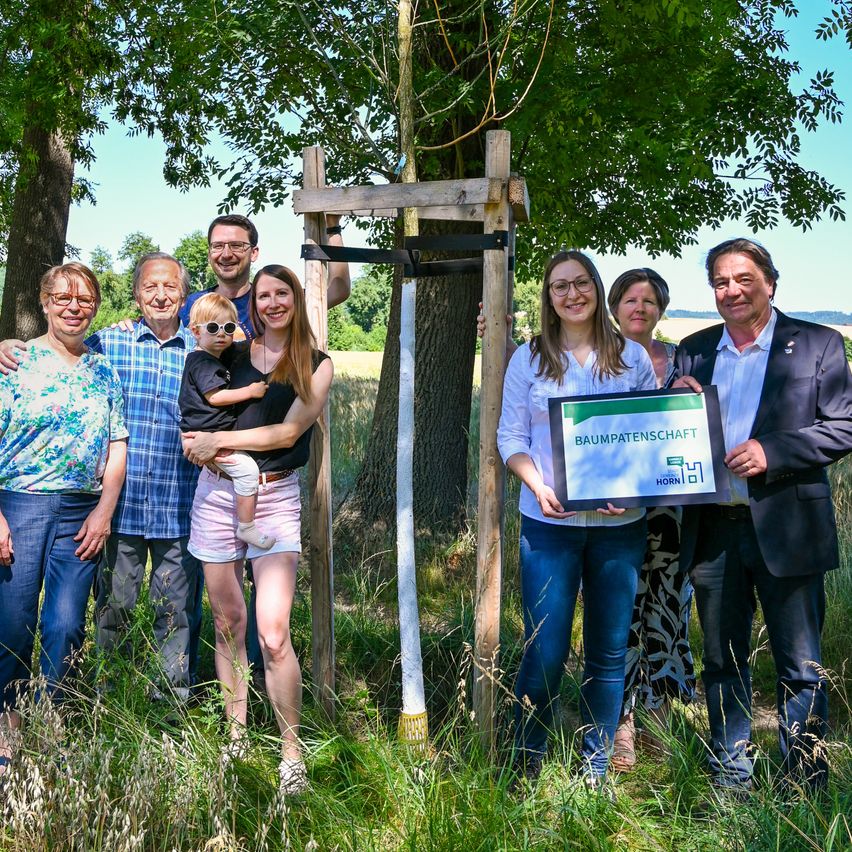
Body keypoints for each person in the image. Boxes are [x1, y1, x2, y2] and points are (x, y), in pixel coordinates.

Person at [674, 238, 852, 792]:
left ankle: (804, 779)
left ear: (770, 283)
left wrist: (772, 451)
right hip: (714, 531)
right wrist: (671, 400)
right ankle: (733, 770)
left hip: (788, 529)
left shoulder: (820, 343)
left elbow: (843, 425)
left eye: (743, 279)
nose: (731, 291)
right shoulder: (694, 349)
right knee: (722, 659)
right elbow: (667, 432)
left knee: (800, 665)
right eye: (721, 282)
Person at [0, 255, 201, 702]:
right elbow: (51, 345)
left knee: (167, 614)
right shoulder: (103, 347)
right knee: (101, 611)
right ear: (135, 295)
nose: (160, 295)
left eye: (170, 287)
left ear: (184, 297)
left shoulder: (196, 352)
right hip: (85, 508)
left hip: (167, 505)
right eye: (150, 287)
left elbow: (120, 440)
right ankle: (97, 704)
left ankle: (157, 710)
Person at [497, 250, 657, 788]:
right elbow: (511, 438)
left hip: (620, 528)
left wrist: (631, 489)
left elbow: (646, 435)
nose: (572, 294)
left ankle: (594, 769)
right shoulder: (529, 359)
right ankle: (525, 762)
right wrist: (537, 484)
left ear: (596, 288)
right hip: (549, 524)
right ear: (547, 297)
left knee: (609, 652)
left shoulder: (632, 357)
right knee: (545, 649)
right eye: (560, 286)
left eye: (581, 283)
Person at [182, 264, 333, 795]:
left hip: (273, 497)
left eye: (281, 293)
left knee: (272, 633)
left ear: (295, 299)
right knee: (227, 621)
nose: (272, 302)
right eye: (263, 295)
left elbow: (291, 429)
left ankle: (291, 750)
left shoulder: (314, 364)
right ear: (253, 304)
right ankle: (237, 734)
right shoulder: (230, 354)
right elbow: (194, 405)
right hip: (216, 495)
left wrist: (218, 445)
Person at [0, 263, 128, 776]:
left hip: (81, 512)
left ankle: (51, 728)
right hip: (18, 505)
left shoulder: (103, 370)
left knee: (66, 624)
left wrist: (104, 511)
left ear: (95, 306)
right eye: (64, 297)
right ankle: (7, 731)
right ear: (45, 302)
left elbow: (118, 445)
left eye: (85, 299)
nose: (75, 306)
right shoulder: (15, 362)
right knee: (12, 623)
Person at [606, 269, 695, 771]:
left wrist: (692, 393)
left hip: (671, 511)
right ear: (615, 305)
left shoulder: (683, 359)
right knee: (620, 611)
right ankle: (621, 721)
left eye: (650, 300)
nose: (640, 308)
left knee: (667, 606)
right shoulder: (595, 354)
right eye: (630, 299)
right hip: (616, 510)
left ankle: (658, 712)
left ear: (661, 308)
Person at [180, 294, 273, 549]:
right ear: (196, 331)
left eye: (228, 328)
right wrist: (251, 392)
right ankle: (246, 527)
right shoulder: (202, 362)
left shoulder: (214, 357)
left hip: (209, 432)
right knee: (247, 470)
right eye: (213, 328)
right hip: (204, 435)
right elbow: (216, 396)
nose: (221, 334)